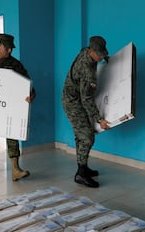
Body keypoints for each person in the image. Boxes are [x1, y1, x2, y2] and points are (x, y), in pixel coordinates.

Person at [0, 33, 35, 181]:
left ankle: (15, 169)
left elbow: (27, 81)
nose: (9, 51)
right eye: (6, 48)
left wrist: (31, 95)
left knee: (12, 132)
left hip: (10, 105)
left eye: (11, 48)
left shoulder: (15, 64)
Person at [62, 36, 111, 188]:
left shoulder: (85, 52)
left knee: (81, 136)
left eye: (102, 54)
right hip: (73, 103)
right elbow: (87, 99)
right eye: (98, 55)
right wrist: (99, 119)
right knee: (87, 137)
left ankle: (83, 168)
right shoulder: (87, 69)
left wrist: (104, 58)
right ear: (91, 51)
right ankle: (81, 174)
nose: (100, 57)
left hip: (75, 99)